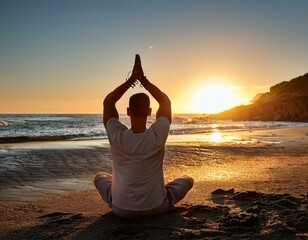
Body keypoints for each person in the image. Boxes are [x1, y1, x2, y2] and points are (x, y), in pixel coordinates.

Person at [94, 55, 194, 218]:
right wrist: (144, 81)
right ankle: (162, 192)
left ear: (128, 111)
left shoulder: (117, 134)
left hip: (121, 209)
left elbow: (109, 102)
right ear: (149, 112)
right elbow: (165, 102)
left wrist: (131, 80)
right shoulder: (158, 133)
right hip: (157, 207)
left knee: (100, 177)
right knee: (187, 179)